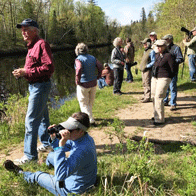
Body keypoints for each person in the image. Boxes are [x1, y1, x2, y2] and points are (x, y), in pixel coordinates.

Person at [3, 112, 97, 196]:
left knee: (38, 175)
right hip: (85, 179)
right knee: (51, 156)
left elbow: (60, 176)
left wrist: (61, 146)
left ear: (81, 131)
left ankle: (20, 173)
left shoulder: (81, 152)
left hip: (71, 190)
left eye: (70, 129)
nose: (65, 131)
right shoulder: (84, 138)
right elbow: (62, 147)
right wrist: (53, 138)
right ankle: (48, 165)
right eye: (65, 127)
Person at [12, 19, 54, 164]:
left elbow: (49, 67)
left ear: (34, 30)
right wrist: (22, 72)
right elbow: (34, 68)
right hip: (36, 85)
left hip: (40, 86)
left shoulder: (41, 44)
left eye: (26, 29)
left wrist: (26, 71)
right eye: (22, 29)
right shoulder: (31, 46)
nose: (23, 32)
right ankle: (47, 144)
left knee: (30, 121)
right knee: (42, 118)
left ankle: (30, 157)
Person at [75, 43, 103, 126]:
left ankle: (90, 121)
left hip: (83, 84)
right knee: (90, 102)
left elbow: (79, 68)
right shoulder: (93, 58)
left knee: (83, 103)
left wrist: (77, 79)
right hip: (93, 83)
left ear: (77, 50)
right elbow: (100, 66)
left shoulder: (78, 59)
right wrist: (99, 75)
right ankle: (90, 117)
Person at [151, 40, 175, 125]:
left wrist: (169, 78)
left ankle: (160, 119)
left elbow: (173, 69)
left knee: (159, 96)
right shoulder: (157, 55)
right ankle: (156, 115)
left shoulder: (169, 56)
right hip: (155, 77)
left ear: (165, 46)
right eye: (157, 46)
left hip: (164, 77)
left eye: (160, 46)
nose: (158, 47)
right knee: (153, 96)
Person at [162, 34, 184, 110]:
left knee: (173, 87)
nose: (164, 40)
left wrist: (172, 62)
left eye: (166, 39)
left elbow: (180, 59)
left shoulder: (176, 48)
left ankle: (173, 103)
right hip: (165, 71)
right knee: (165, 87)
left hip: (173, 71)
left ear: (170, 39)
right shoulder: (164, 48)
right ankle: (165, 100)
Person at [140, 38, 155, 103]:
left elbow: (153, 61)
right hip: (143, 70)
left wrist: (147, 66)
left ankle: (148, 97)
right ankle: (145, 95)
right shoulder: (145, 51)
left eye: (145, 43)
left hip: (148, 70)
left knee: (147, 83)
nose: (143, 44)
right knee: (144, 83)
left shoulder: (152, 51)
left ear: (148, 44)